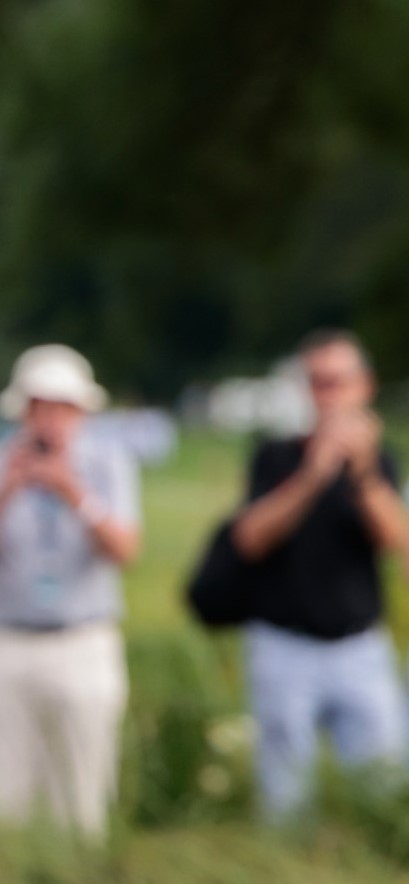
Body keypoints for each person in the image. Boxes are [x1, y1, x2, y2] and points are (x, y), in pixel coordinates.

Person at [0, 344, 140, 837]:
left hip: (81, 641)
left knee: (79, 800)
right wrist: (2, 494)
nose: (50, 419)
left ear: (80, 412)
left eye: (62, 407)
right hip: (1, 640)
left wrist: (73, 492)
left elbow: (124, 550)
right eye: (40, 406)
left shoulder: (106, 465)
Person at [227, 330, 409, 820]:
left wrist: (363, 471)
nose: (327, 395)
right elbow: (248, 538)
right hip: (284, 646)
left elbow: (396, 539)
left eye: (337, 382)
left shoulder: (378, 461)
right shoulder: (277, 457)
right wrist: (314, 473)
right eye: (317, 383)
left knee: (381, 786)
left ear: (363, 387)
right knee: (286, 796)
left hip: (358, 647)